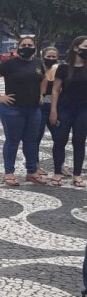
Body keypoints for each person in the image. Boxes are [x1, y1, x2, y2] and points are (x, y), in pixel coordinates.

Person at [0, 36, 46, 186]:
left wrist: (41, 94)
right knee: (13, 141)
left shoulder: (38, 63)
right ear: (18, 47)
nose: (26, 47)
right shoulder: (9, 64)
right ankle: (9, 173)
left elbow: (43, 78)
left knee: (31, 142)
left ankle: (32, 172)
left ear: (34, 47)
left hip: (33, 110)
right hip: (12, 109)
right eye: (23, 44)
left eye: (29, 45)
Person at [49, 36, 87, 187]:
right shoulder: (63, 68)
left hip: (83, 110)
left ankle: (77, 174)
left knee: (79, 141)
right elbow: (55, 90)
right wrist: (53, 110)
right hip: (64, 109)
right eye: (85, 46)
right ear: (76, 48)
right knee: (59, 140)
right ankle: (57, 172)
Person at [36, 47, 59, 179]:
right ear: (43, 56)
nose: (51, 59)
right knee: (36, 137)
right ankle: (35, 165)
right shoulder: (38, 69)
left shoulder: (59, 70)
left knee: (59, 137)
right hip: (39, 107)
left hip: (55, 107)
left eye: (53, 56)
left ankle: (59, 165)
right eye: (48, 56)